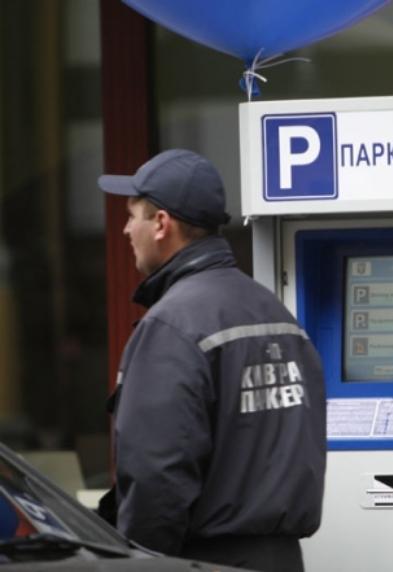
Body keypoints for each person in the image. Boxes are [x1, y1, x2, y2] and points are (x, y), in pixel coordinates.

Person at [97, 149, 326, 572]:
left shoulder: (171, 326)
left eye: (132, 217)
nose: (126, 230)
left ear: (161, 224)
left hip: (202, 560)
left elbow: (155, 479)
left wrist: (141, 565)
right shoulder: (278, 315)